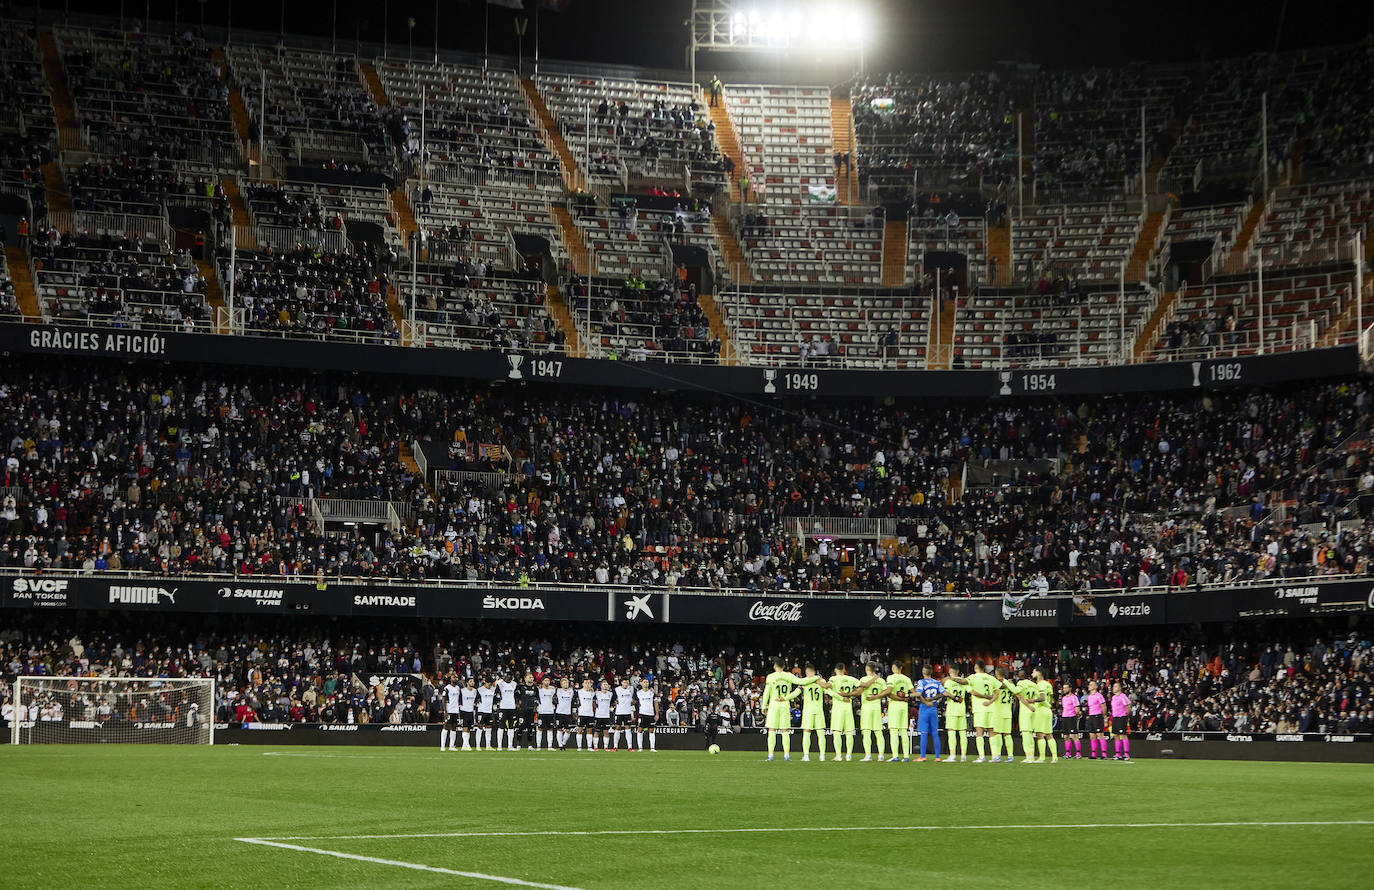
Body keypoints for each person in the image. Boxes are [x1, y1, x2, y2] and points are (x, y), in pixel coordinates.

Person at [760, 657, 815, 762]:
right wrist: (814, 678)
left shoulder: (770, 677)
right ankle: (786, 755)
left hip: (774, 704)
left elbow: (766, 692)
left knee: (772, 730)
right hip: (785, 704)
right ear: (784, 666)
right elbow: (801, 682)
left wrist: (763, 706)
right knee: (785, 731)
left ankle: (771, 755)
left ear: (775, 666)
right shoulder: (788, 675)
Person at [961, 662, 999, 762]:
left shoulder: (973, 677)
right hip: (991, 707)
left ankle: (982, 757)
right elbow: (997, 692)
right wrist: (990, 701)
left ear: (976, 667)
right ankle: (994, 756)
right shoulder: (991, 678)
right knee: (991, 732)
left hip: (979, 708)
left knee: (979, 732)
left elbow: (972, 691)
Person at [854, 661, 888, 762]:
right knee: (878, 732)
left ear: (867, 669)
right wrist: (878, 696)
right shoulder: (881, 680)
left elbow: (859, 692)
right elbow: (886, 691)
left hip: (866, 708)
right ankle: (881, 755)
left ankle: (868, 756)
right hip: (877, 708)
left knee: (867, 732)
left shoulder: (863, 679)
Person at [826, 662, 860, 761]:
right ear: (844, 670)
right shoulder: (851, 679)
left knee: (837, 731)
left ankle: (838, 755)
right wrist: (850, 695)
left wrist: (840, 697)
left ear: (836, 670)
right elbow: (860, 688)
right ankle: (849, 755)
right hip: (848, 708)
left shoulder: (833, 679)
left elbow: (827, 689)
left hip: (838, 709)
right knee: (849, 732)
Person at [797, 662, 828, 762]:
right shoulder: (821, 681)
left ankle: (806, 756)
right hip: (819, 710)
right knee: (820, 733)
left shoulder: (805, 681)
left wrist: (785, 698)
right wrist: (841, 697)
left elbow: (796, 693)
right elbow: (829, 690)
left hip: (808, 710)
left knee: (806, 732)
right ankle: (822, 756)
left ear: (807, 672)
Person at [884, 662, 914, 762]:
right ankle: (906, 756)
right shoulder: (907, 678)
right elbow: (913, 692)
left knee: (893, 731)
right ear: (901, 668)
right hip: (904, 707)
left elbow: (889, 692)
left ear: (893, 668)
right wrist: (906, 698)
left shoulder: (891, 678)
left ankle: (895, 755)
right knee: (903, 731)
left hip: (895, 706)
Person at [914, 664, 944, 762]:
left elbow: (918, 694)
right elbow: (943, 693)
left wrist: (909, 695)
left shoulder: (921, 682)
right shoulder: (937, 682)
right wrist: (936, 700)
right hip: (934, 709)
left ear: (923, 672)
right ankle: (937, 757)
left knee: (924, 733)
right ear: (931, 672)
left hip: (924, 709)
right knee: (935, 733)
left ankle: (922, 756)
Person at [1013, 668, 1041, 762]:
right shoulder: (1034, 684)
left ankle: (1028, 756)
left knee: (1025, 733)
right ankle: (1032, 755)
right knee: (1030, 734)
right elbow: (1038, 697)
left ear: (1021, 676)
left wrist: (1010, 684)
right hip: (1034, 710)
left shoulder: (1021, 684)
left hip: (1026, 710)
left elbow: (1016, 693)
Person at [942, 664, 969, 762]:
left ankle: (952, 755)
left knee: (951, 732)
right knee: (962, 732)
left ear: (950, 672)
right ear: (958, 672)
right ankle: (963, 755)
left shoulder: (948, 682)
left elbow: (945, 693)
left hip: (952, 709)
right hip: (962, 709)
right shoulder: (963, 682)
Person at [992, 666, 1017, 762]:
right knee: (1007, 734)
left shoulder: (996, 683)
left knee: (997, 733)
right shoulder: (1010, 684)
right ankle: (1010, 756)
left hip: (998, 711)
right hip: (1008, 712)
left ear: (997, 673)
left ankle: (997, 755)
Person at [1033, 668, 1058, 763]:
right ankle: (1054, 757)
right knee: (1049, 735)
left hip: (1041, 710)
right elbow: (1051, 699)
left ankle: (1042, 757)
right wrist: (1049, 706)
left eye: (1034, 671)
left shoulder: (1040, 684)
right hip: (1048, 711)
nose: (1032, 673)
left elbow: (1042, 698)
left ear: (1039, 673)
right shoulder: (1048, 684)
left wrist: (1032, 700)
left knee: (1039, 734)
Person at [1084, 680, 1107, 759]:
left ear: (1095, 686)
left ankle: (1104, 753)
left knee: (1100, 735)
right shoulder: (1089, 696)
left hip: (1098, 716)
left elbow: (1103, 706)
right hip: (1091, 716)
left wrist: (1103, 716)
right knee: (1092, 735)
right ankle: (1094, 753)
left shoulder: (1099, 695)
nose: (1089, 686)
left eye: (1091, 685)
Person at [441, 673, 463, 752]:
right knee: (446, 726)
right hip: (449, 710)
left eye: (456, 677)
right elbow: (443, 699)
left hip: (455, 711)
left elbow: (459, 700)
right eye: (454, 677)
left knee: (454, 727)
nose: (455, 678)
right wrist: (445, 711)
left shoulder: (458, 688)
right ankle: (442, 746)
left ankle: (451, 746)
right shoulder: (447, 688)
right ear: (450, 679)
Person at [635, 678, 659, 752]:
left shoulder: (652, 693)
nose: (646, 683)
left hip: (651, 714)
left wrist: (657, 714)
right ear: (641, 683)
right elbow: (635, 703)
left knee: (651, 730)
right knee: (640, 730)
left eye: (647, 682)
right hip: (642, 713)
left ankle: (652, 748)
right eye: (644, 682)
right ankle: (640, 748)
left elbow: (656, 703)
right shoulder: (638, 693)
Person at [1110, 682, 1132, 761]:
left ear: (1119, 688)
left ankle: (1126, 754)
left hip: (1121, 717)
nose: (1113, 688)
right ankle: (1117, 753)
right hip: (1115, 717)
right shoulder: (1113, 697)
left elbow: (1128, 707)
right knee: (1116, 735)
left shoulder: (1123, 696)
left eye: (1115, 687)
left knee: (1123, 735)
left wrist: (1126, 716)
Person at [496, 672, 518, 751]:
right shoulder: (500, 684)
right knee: (501, 725)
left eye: (510, 676)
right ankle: (499, 746)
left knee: (511, 726)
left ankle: (510, 746)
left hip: (512, 707)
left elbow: (516, 695)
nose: (509, 678)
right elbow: (496, 693)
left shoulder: (514, 684)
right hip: (503, 707)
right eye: (507, 676)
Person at [612, 676, 636, 750]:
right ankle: (615, 746)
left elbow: (635, 699)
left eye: (627, 682)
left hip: (627, 712)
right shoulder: (616, 690)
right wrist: (615, 703)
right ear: (621, 682)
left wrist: (632, 703)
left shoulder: (631, 689)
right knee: (617, 728)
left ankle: (630, 747)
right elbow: (613, 700)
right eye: (624, 682)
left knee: (628, 728)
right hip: (619, 712)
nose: (626, 684)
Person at [517, 673, 539, 750]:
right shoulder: (521, 687)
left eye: (532, 677)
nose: (531, 678)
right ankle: (518, 745)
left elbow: (537, 698)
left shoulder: (535, 688)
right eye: (530, 677)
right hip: (522, 710)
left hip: (531, 710)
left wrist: (536, 706)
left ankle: (530, 745)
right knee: (521, 726)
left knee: (530, 727)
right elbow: (517, 697)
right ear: (525, 678)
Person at [1059, 682, 1082, 759]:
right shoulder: (1063, 698)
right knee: (1066, 736)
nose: (1064, 689)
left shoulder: (1074, 697)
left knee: (1074, 735)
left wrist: (1077, 713)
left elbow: (1077, 707)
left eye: (1066, 688)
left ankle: (1078, 753)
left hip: (1071, 717)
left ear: (1070, 688)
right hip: (1064, 717)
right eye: (1063, 688)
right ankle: (1067, 753)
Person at [476, 677, 497, 750]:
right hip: (481, 711)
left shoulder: (492, 689)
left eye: (491, 684)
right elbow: (476, 700)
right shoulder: (479, 690)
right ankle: (478, 746)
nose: (490, 685)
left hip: (489, 712)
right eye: (489, 684)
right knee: (480, 727)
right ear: (486, 682)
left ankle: (488, 746)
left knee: (489, 729)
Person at [535, 676, 556, 750]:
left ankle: (549, 746)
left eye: (548, 680)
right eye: (545, 680)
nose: (547, 682)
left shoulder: (552, 690)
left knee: (550, 729)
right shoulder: (539, 690)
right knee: (540, 729)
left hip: (550, 711)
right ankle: (538, 746)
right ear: (542, 681)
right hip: (542, 711)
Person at [575, 678, 597, 750]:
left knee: (589, 730)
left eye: (589, 683)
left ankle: (589, 747)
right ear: (583, 684)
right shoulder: (579, 692)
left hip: (590, 714)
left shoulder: (593, 693)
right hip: (582, 714)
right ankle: (579, 747)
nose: (588, 684)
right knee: (580, 730)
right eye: (586, 683)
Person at [554, 677, 575, 750]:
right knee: (559, 729)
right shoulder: (558, 690)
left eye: (567, 683)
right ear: (561, 684)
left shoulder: (571, 691)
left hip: (568, 713)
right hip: (559, 712)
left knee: (568, 730)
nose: (566, 684)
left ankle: (563, 743)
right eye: (564, 683)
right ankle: (560, 745)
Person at [458, 678, 478, 751]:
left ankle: (464, 745)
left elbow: (476, 701)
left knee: (469, 729)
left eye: (473, 681)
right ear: (467, 683)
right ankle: (467, 744)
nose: (472, 683)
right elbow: (459, 700)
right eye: (471, 681)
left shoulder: (475, 691)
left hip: (471, 711)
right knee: (465, 728)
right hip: (464, 711)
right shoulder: (462, 691)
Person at [594, 681, 614, 751]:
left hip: (606, 716)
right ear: (601, 686)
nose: (605, 686)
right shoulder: (596, 694)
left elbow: (613, 702)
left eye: (606, 684)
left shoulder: (610, 694)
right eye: (604, 684)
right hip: (598, 715)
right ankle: (595, 747)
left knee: (606, 732)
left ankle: (606, 747)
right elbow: (593, 701)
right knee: (597, 732)